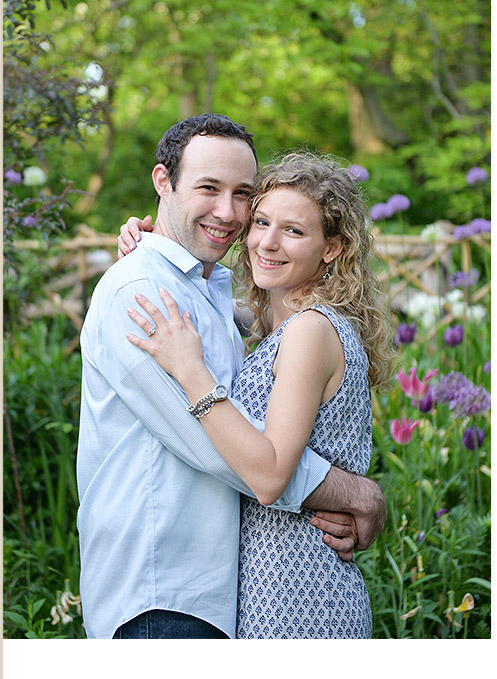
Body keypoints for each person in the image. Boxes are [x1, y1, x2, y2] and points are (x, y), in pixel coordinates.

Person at [77, 114, 385, 640]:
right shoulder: (143, 295)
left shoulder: (213, 295)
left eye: (243, 195)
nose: (229, 213)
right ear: (162, 182)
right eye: (208, 188)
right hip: (161, 590)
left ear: (331, 246)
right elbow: (231, 454)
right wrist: (356, 495)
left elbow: (250, 431)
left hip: (245, 595)